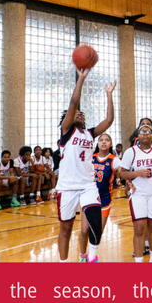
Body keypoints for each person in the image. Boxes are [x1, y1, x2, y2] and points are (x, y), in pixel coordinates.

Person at [55, 67, 117, 263]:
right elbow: (73, 102)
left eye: (82, 114)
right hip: (67, 187)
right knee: (65, 229)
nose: (79, 114)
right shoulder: (66, 132)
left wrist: (109, 94)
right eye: (76, 113)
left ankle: (91, 257)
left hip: (88, 185)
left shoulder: (89, 134)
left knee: (95, 221)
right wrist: (81, 78)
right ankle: (64, 264)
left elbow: (109, 120)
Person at [118, 118, 152, 264]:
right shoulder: (131, 152)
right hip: (138, 195)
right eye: (142, 131)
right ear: (138, 135)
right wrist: (137, 173)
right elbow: (122, 173)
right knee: (139, 228)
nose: (145, 134)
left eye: (149, 131)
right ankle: (139, 261)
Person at [85, 133, 117, 263]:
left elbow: (124, 171)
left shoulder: (114, 160)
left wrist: (129, 181)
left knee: (98, 231)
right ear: (97, 143)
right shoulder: (90, 158)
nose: (104, 142)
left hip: (104, 199)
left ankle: (91, 256)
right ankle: (84, 256)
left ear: (111, 144)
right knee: (85, 230)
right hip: (89, 197)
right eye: (101, 140)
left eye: (107, 140)